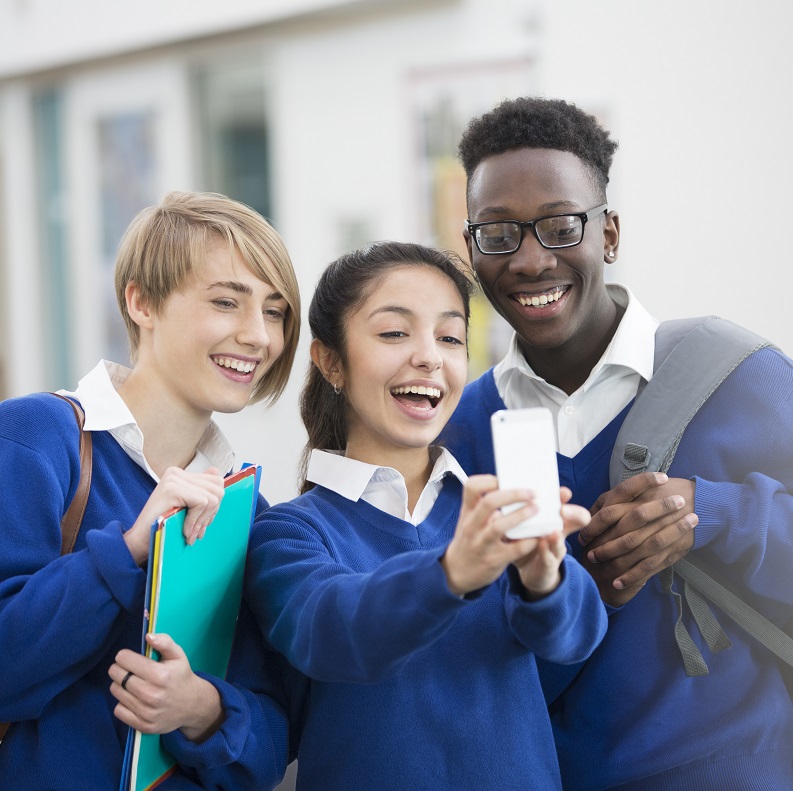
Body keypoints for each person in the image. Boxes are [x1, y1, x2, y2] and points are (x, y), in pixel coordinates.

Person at [441, 96, 793, 789]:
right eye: (498, 233)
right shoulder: (458, 432)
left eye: (560, 225)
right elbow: (457, 663)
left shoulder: (735, 372)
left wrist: (708, 513)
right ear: (471, 249)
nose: (530, 259)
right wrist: (564, 593)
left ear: (608, 233)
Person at [244, 241, 607, 790]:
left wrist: (544, 580)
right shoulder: (286, 532)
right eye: (394, 333)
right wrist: (450, 574)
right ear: (330, 362)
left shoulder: (493, 512)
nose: (430, 357)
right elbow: (332, 631)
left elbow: (577, 638)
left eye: (449, 337)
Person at [0, 191, 301, 790]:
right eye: (226, 302)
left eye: (274, 311)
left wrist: (204, 712)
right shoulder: (39, 436)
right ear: (140, 302)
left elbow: (273, 746)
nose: (258, 336)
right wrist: (130, 548)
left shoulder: (243, 510)